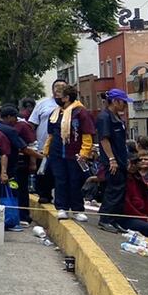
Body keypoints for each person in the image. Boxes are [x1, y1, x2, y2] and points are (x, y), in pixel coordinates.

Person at [42, 84, 95, 222]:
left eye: (58, 95)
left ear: (66, 98)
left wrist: (84, 152)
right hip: (57, 153)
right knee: (60, 180)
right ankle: (62, 208)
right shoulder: (55, 113)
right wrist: (47, 149)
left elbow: (87, 134)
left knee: (75, 181)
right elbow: (51, 134)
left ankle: (77, 209)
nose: (56, 98)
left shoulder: (80, 112)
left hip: (75, 154)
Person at [98, 88, 133, 233]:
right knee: (113, 190)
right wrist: (111, 159)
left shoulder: (117, 117)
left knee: (120, 191)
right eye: (123, 102)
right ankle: (105, 220)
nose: (125, 105)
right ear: (115, 101)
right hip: (113, 161)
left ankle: (114, 220)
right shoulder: (105, 117)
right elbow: (104, 139)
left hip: (121, 160)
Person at [0, 105, 40, 225]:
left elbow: (31, 145)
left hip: (21, 162)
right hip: (11, 163)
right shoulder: (5, 128)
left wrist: (33, 162)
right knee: (13, 190)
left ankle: (23, 216)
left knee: (21, 190)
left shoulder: (23, 126)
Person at [30, 80, 69, 204]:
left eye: (62, 87)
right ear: (52, 89)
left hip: (64, 148)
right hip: (44, 147)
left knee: (61, 174)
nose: (59, 89)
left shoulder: (71, 105)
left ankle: (62, 200)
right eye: (57, 87)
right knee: (44, 174)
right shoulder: (42, 104)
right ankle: (44, 195)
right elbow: (33, 124)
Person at [121, 151, 148, 239]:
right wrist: (146, 219)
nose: (132, 166)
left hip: (142, 215)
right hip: (129, 217)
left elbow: (147, 201)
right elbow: (127, 206)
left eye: (135, 163)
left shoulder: (139, 179)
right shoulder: (123, 180)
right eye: (130, 164)